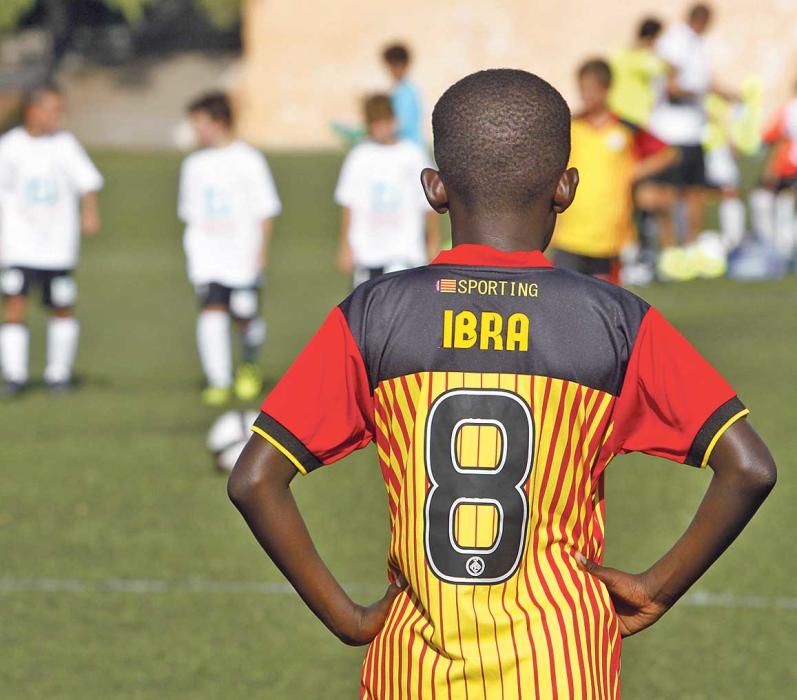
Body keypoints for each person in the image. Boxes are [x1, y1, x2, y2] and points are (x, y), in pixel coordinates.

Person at [228, 69, 776, 698]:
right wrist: (655, 589)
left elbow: (253, 478)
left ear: (434, 188)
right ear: (566, 188)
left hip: (414, 671)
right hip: (562, 667)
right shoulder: (615, 321)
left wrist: (350, 620)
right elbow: (750, 467)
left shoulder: (373, 315)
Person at [178, 92, 281, 407]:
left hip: (242, 253)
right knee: (212, 310)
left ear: (219, 122)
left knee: (245, 313)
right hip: (208, 255)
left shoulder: (248, 159)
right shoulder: (193, 164)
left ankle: (248, 365)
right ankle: (218, 378)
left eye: (200, 124)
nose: (195, 132)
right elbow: (190, 212)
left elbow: (265, 210)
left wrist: (261, 249)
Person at [0, 83, 103, 395]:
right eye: (52, 109)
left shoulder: (65, 144)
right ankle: (14, 374)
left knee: (61, 304)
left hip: (57, 246)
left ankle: (58, 373)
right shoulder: (10, 146)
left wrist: (89, 211)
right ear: (32, 111)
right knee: (16, 305)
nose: (58, 116)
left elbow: (87, 181)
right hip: (19, 245)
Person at [552, 59, 677, 283]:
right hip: (569, 236)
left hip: (610, 236)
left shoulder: (626, 129)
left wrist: (637, 172)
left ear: (606, 89)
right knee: (562, 303)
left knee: (605, 306)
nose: (586, 96)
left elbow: (668, 153)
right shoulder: (570, 127)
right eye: (582, 90)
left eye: (592, 90)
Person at [647, 4, 736, 250]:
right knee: (668, 192)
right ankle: (669, 248)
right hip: (673, 131)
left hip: (693, 131)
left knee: (694, 191)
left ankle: (690, 246)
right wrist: (701, 93)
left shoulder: (697, 44)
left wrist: (730, 95)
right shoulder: (676, 41)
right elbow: (672, 88)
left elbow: (704, 82)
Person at [335, 94, 439, 287]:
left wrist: (432, 241)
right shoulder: (359, 157)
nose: (379, 129)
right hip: (368, 255)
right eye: (374, 124)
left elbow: (427, 203)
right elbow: (349, 203)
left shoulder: (412, 155)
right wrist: (345, 245)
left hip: (405, 254)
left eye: (383, 122)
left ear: (393, 120)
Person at [749, 87, 797, 260]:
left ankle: (777, 246)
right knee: (779, 200)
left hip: (789, 165)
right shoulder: (788, 109)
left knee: (783, 201)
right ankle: (781, 245)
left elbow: (769, 137)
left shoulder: (789, 109)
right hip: (788, 165)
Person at [609, 17, 665, 126]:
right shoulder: (644, 59)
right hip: (634, 115)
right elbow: (666, 68)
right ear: (653, 38)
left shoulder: (620, 55)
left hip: (616, 111)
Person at [382, 43, 424, 146]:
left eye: (395, 65)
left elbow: (403, 124)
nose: (392, 70)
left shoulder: (407, 93)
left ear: (403, 65)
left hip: (408, 147)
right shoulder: (398, 91)